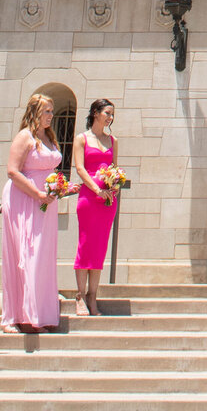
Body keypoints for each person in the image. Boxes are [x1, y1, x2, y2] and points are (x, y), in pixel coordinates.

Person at [0, 92, 64, 333]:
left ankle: (39, 314)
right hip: (24, 200)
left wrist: (61, 188)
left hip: (46, 202)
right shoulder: (24, 137)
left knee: (43, 257)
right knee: (27, 255)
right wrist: (37, 194)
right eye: (46, 111)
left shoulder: (49, 136)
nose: (50, 116)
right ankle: (19, 317)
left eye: (51, 111)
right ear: (34, 112)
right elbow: (12, 171)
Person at [73, 98, 119, 316]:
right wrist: (96, 189)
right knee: (86, 244)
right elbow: (80, 169)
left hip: (107, 202)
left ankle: (93, 296)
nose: (110, 117)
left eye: (112, 114)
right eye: (107, 113)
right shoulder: (81, 139)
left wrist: (114, 186)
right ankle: (80, 295)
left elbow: (115, 169)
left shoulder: (113, 141)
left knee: (100, 247)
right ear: (95, 113)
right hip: (89, 199)